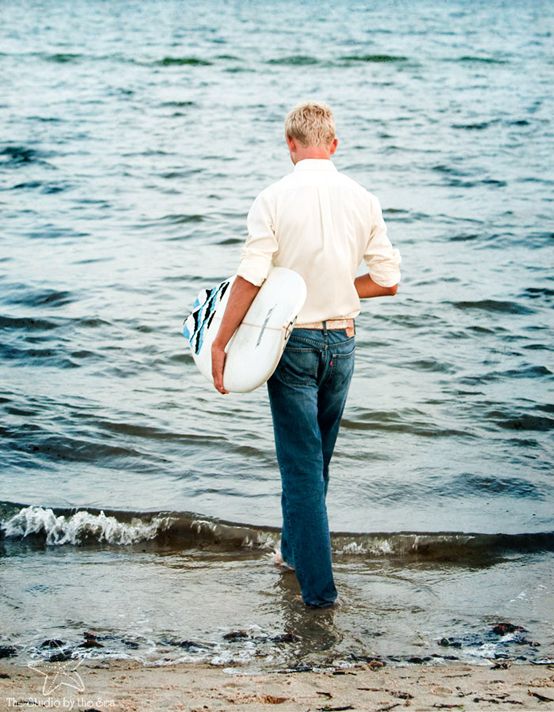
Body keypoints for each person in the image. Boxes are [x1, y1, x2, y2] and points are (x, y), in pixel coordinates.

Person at [211, 101, 401, 608]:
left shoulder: (272, 198)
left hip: (292, 344)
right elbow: (388, 280)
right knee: (315, 465)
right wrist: (341, 287)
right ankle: (294, 556)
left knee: (300, 470)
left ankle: (320, 596)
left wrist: (220, 340)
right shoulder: (364, 198)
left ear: (290, 145)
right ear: (334, 144)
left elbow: (251, 277)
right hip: (343, 342)